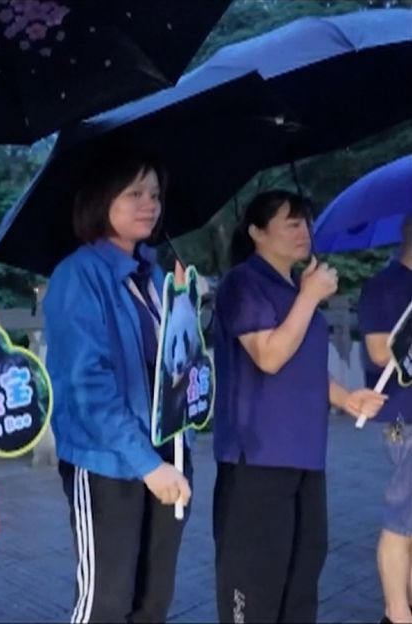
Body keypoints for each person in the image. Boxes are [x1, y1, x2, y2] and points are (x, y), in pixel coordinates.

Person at [212, 189, 387, 623]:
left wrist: (346, 397)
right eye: (291, 222)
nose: (303, 231)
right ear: (256, 232)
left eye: (306, 222)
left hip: (306, 454)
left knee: (302, 578)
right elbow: (269, 356)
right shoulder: (243, 283)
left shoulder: (295, 286)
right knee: (255, 585)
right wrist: (310, 298)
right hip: (257, 457)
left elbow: (302, 367)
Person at [43, 146, 193, 623]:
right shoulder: (78, 275)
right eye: (133, 193)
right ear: (101, 200)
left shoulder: (154, 275)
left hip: (168, 454)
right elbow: (88, 385)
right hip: (109, 463)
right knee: (106, 601)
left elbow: (175, 367)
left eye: (154, 193)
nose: (149, 203)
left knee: (153, 600)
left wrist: (187, 309)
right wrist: (146, 463)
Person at [358, 211, 412, 624]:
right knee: (402, 514)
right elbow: (379, 352)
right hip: (401, 418)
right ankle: (397, 612)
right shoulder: (384, 286)